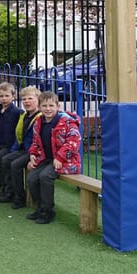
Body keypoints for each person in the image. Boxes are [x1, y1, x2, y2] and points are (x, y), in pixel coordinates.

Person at [26, 91, 82, 224]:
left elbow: (74, 141)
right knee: (32, 178)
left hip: (66, 161)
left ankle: (48, 211)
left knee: (45, 177)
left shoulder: (68, 122)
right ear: (39, 107)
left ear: (58, 106)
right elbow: (35, 141)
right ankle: (40, 208)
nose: (48, 109)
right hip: (46, 158)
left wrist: (61, 157)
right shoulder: (38, 122)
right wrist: (33, 154)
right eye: (44, 106)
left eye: (51, 105)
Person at [0, 86, 41, 208]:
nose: (27, 101)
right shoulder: (25, 116)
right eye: (24, 99)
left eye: (30, 98)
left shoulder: (40, 117)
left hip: (34, 152)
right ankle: (9, 190)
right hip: (23, 149)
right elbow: (19, 135)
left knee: (15, 165)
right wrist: (13, 150)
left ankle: (19, 196)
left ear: (38, 100)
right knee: (5, 159)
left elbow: (39, 141)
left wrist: (33, 156)